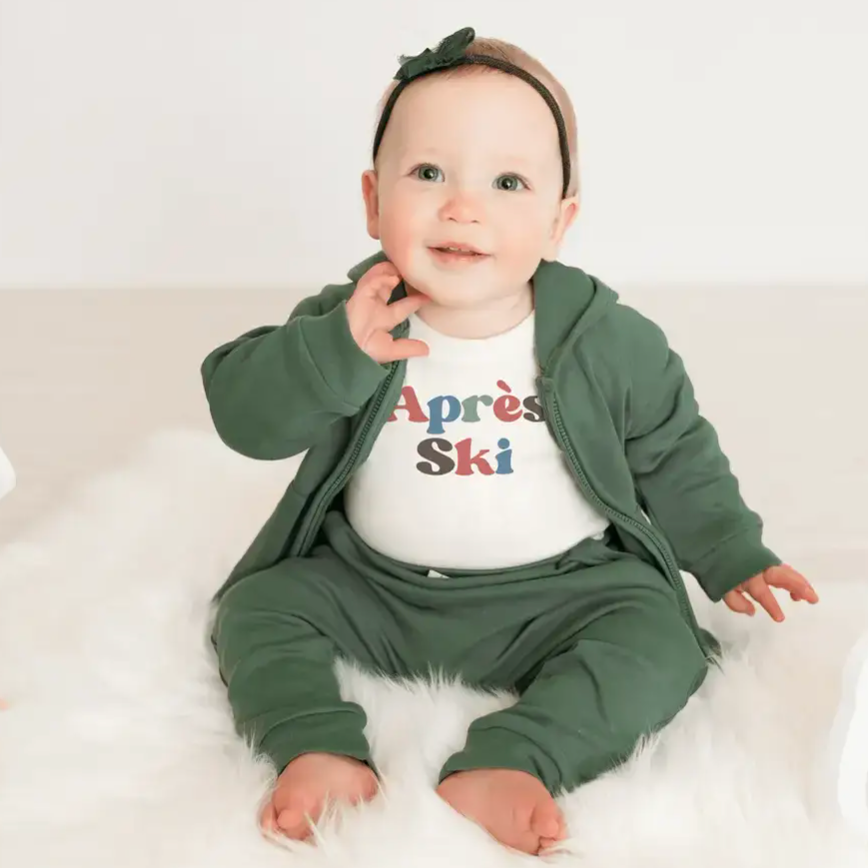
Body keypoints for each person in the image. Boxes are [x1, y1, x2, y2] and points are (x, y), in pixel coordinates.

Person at [201, 26, 820, 856]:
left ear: (560, 221)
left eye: (508, 181)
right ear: (371, 200)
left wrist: (731, 550)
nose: (464, 206)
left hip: (559, 594)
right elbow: (245, 416)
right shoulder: (354, 317)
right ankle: (315, 745)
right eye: (427, 174)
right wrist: (331, 355)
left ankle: (519, 757)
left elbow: (674, 452)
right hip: (374, 587)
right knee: (258, 606)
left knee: (661, 642)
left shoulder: (608, 340)